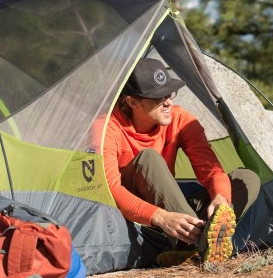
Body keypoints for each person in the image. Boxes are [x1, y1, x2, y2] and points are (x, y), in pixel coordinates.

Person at [102, 57, 260, 265]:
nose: (169, 102)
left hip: (171, 204)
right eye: (159, 97)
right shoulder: (107, 127)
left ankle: (197, 243)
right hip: (136, 213)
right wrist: (161, 217)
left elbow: (211, 171)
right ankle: (196, 245)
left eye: (169, 93)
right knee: (149, 158)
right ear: (133, 102)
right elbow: (112, 190)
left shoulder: (181, 120)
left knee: (247, 178)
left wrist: (221, 198)